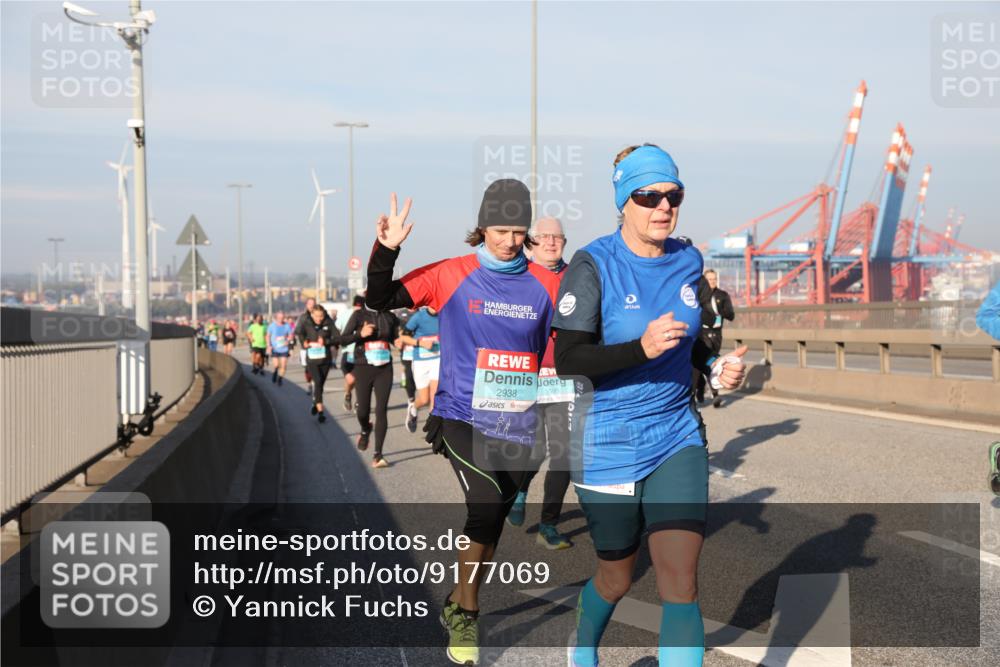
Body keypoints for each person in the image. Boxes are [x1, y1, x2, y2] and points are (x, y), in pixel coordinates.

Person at [552, 144, 746, 667]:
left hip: (674, 435)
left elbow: (692, 338)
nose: (663, 206)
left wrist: (712, 365)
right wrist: (640, 349)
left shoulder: (687, 259)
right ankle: (584, 645)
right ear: (624, 201)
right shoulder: (593, 265)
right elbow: (569, 359)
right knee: (617, 575)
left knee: (680, 581)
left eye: (673, 195)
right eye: (648, 195)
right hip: (606, 440)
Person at [365, 181, 560, 666]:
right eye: (499, 229)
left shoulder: (548, 283)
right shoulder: (451, 274)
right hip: (462, 416)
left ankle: (458, 596)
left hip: (522, 425)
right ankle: (466, 616)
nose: (509, 241)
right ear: (482, 227)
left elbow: (578, 340)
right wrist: (387, 248)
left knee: (489, 525)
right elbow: (380, 296)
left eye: (519, 231)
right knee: (487, 504)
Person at [506, 216, 574, 550]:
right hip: (525, 377)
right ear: (531, 242)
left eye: (557, 237)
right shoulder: (518, 276)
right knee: (532, 449)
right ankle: (518, 490)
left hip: (564, 378)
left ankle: (549, 523)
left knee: (563, 453)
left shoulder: (578, 277)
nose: (551, 242)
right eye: (544, 237)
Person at [333, 300, 398, 468]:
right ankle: (365, 429)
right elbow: (343, 340)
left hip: (384, 368)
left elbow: (395, 337)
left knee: (381, 410)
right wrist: (360, 335)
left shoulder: (389, 316)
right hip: (363, 367)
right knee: (362, 410)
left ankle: (378, 455)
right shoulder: (359, 315)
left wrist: (399, 341)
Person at [694, 269, 735, 408]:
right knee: (704, 363)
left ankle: (708, 390)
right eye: (709, 279)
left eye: (714, 279)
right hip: (702, 334)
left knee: (713, 362)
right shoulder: (697, 296)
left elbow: (731, 315)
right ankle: (711, 392)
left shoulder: (722, 295)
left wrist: (720, 311)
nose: (712, 281)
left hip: (716, 334)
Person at [398, 306, 440, 434]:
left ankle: (433, 431)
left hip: (438, 359)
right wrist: (420, 343)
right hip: (421, 361)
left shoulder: (444, 315)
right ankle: (413, 408)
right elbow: (403, 337)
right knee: (424, 399)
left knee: (435, 397)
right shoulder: (419, 317)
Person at [298, 304, 337, 422]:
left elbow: (337, 337)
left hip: (325, 359)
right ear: (312, 314)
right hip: (312, 359)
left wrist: (326, 341)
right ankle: (321, 412)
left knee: (320, 385)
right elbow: (300, 333)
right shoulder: (306, 322)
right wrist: (304, 342)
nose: (319, 319)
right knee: (318, 381)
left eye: (321, 316)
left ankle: (315, 401)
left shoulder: (328, 323)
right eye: (316, 316)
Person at [337, 295, 365, 412]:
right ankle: (348, 394)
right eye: (356, 307)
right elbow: (337, 328)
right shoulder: (345, 314)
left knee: (362, 379)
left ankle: (360, 401)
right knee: (351, 380)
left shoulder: (366, 315)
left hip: (362, 352)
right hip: (348, 351)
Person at [395, 308, 419, 432]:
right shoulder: (401, 314)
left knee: (430, 392)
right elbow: (396, 334)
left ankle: (434, 427)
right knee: (410, 380)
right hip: (408, 353)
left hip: (426, 354)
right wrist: (397, 341)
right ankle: (411, 403)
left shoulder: (424, 313)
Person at [296, 298, 317, 394]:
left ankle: (316, 384)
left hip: (318, 347)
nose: (311, 306)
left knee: (318, 367)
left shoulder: (321, 315)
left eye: (313, 304)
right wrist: (303, 341)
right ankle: (309, 383)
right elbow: (298, 331)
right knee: (307, 368)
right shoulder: (303, 317)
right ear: (306, 305)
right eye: (310, 304)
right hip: (306, 346)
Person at [267, 311, 293, 386]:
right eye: (279, 318)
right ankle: (275, 372)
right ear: (276, 318)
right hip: (274, 348)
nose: (281, 319)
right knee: (276, 365)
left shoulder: (287, 326)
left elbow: (291, 335)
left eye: (282, 318)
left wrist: (287, 340)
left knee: (284, 365)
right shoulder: (272, 326)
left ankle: (280, 378)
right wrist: (269, 345)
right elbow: (268, 336)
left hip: (284, 348)